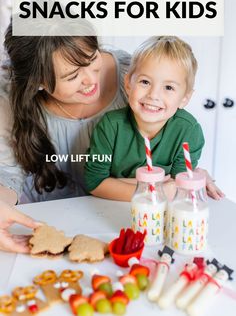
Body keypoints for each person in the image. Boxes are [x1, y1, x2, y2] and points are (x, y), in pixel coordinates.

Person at [0, 27, 223, 253]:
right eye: (72, 75)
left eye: (92, 58)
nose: (90, 79)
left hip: (115, 221)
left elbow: (162, 142)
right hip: (49, 220)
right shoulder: (8, 99)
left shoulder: (137, 75)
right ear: (39, 83)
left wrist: (185, 177)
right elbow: (8, 176)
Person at [84, 36, 220, 201]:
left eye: (169, 87)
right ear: (128, 83)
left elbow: (178, 187)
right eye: (145, 82)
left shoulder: (188, 131)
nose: (153, 95)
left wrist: (119, 183)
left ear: (185, 98)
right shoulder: (111, 126)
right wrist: (152, 190)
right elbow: (94, 183)